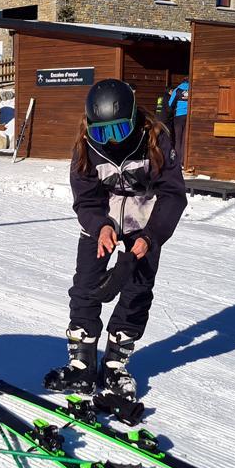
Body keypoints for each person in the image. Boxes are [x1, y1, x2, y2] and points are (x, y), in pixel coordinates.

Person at [44, 79, 188, 401]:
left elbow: (174, 195)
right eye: (101, 132)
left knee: (136, 291)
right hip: (103, 220)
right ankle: (82, 366)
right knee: (86, 286)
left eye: (118, 131)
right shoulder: (85, 144)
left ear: (134, 118)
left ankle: (114, 364)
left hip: (146, 220)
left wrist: (151, 237)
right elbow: (85, 198)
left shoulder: (156, 138)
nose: (109, 141)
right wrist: (100, 227)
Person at [166, 79, 189, 167]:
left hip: (179, 116)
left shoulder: (178, 89)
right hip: (189, 116)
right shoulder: (192, 89)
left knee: (178, 139)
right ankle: (184, 160)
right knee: (185, 139)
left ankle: (177, 161)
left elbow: (170, 103)